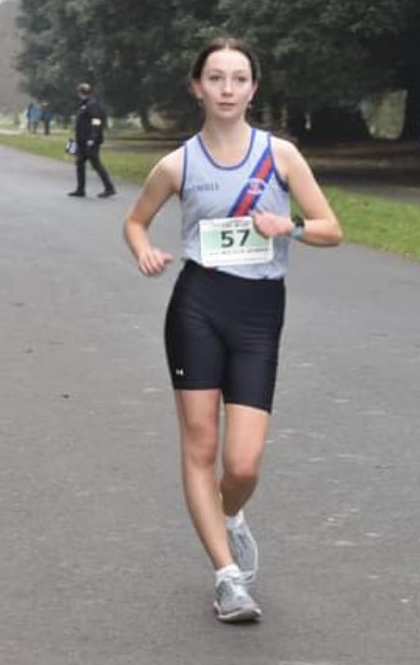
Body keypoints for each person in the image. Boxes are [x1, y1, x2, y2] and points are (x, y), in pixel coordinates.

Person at [123, 37, 342, 623]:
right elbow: (135, 221)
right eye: (215, 78)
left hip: (260, 310)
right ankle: (227, 578)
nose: (227, 89)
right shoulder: (178, 164)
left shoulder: (281, 155)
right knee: (200, 444)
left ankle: (229, 515)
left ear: (253, 88)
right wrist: (144, 250)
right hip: (197, 304)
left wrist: (290, 227)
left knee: (242, 465)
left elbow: (332, 228)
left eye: (238, 78)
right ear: (197, 87)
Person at [67, 82, 116, 198]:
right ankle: (80, 189)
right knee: (80, 163)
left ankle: (109, 188)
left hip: (90, 141)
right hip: (82, 140)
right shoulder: (83, 104)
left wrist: (93, 137)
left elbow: (96, 121)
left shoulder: (92, 104)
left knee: (96, 164)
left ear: (81, 93)